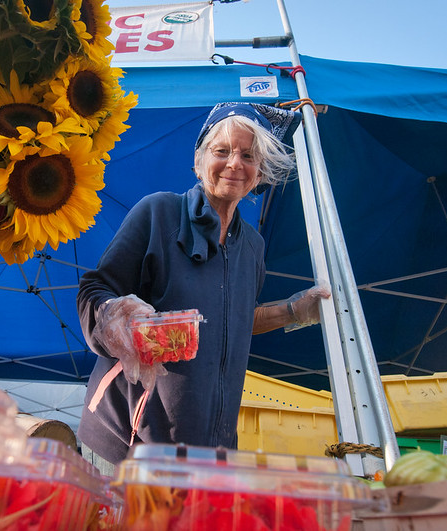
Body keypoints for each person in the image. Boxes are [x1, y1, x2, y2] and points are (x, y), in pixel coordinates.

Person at [76, 102, 331, 475]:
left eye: (248, 155)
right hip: (130, 446)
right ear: (198, 159)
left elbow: (234, 321)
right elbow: (94, 291)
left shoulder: (253, 246)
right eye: (222, 151)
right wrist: (117, 317)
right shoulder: (158, 213)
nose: (234, 164)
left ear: (259, 172)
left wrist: (293, 311)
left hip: (207, 454)